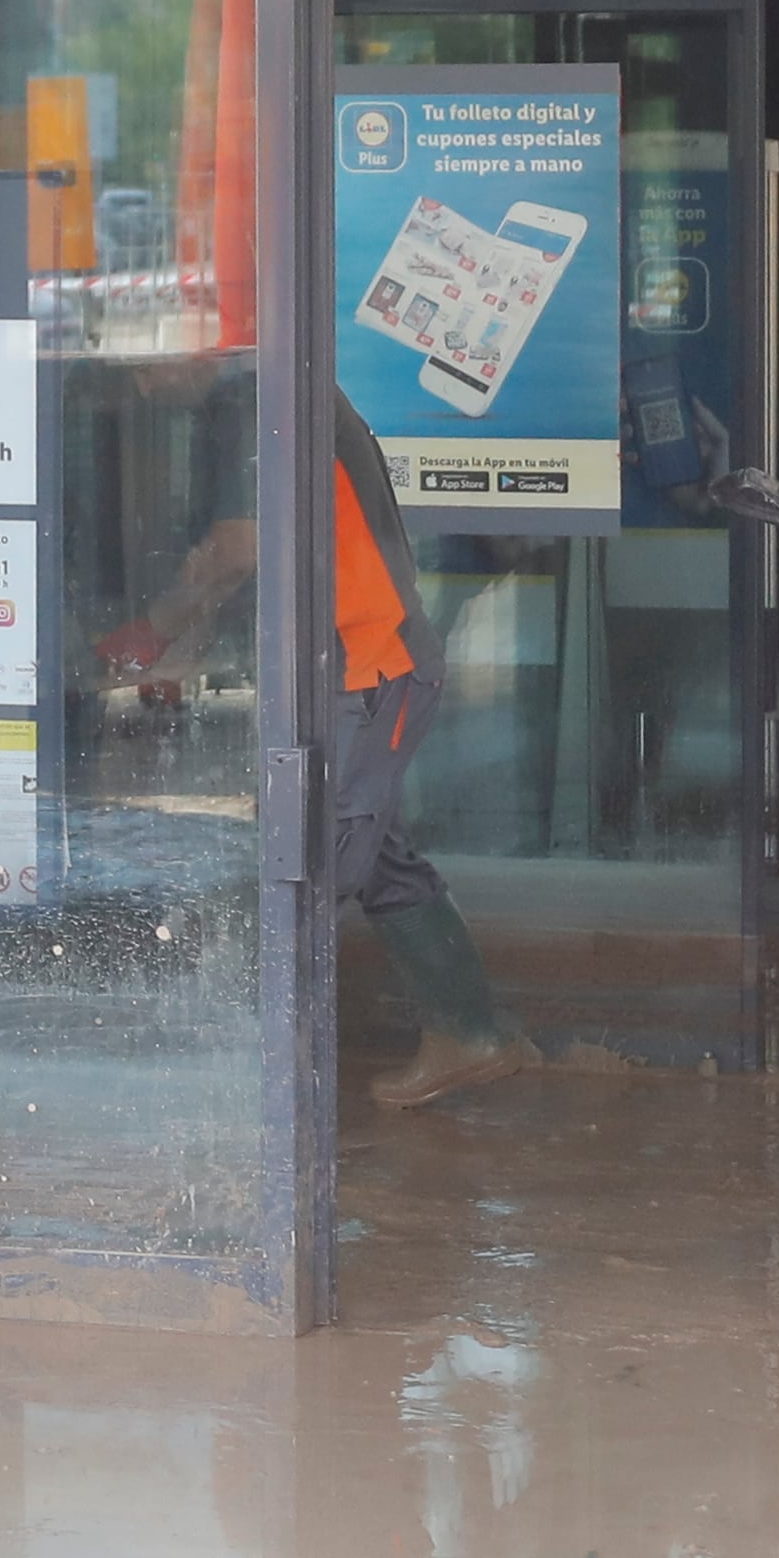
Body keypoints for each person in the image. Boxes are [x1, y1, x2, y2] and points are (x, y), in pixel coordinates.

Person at [101, 389, 533, 1111]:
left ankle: (238, 1065)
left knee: (315, 858)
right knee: (374, 854)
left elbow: (239, 546)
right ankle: (470, 1033)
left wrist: (151, 631)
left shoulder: (269, 389)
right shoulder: (289, 385)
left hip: (375, 669)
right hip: (352, 671)